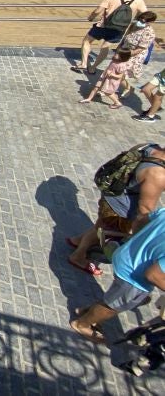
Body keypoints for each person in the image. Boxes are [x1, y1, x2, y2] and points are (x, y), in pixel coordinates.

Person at [67, 143, 165, 275]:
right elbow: (144, 211)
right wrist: (137, 239)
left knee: (101, 225)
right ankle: (78, 256)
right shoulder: (158, 175)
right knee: (104, 233)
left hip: (112, 193)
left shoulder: (149, 146)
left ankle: (78, 241)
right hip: (121, 208)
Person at [70, 208, 165, 343]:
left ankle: (86, 311)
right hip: (133, 276)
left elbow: (139, 220)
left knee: (115, 297)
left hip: (125, 254)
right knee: (112, 307)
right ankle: (82, 324)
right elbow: (153, 275)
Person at [72, 0, 147, 74]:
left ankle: (83, 64)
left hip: (103, 26)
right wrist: (135, 20)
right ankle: (93, 67)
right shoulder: (138, 0)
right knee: (105, 47)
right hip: (120, 29)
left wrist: (91, 17)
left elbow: (98, 11)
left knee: (87, 40)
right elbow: (145, 14)